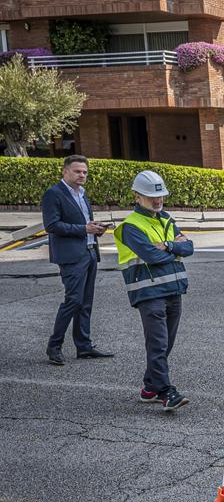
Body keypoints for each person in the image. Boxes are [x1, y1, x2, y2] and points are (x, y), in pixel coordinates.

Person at [114, 170, 193, 411]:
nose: (157, 201)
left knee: (166, 342)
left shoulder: (166, 219)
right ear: (137, 196)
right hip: (149, 293)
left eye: (160, 197)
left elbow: (189, 248)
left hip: (173, 289)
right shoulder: (131, 226)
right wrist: (175, 249)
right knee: (158, 344)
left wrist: (168, 245)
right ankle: (166, 392)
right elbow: (151, 256)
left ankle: (149, 387)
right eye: (151, 197)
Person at [41, 154, 114, 365]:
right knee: (73, 300)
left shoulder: (82, 194)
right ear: (65, 172)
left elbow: (83, 223)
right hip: (71, 256)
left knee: (86, 302)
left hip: (90, 252)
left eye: (84, 172)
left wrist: (95, 229)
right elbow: (52, 225)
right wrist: (84, 229)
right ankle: (54, 346)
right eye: (77, 171)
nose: (82, 175)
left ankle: (84, 346)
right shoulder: (53, 194)